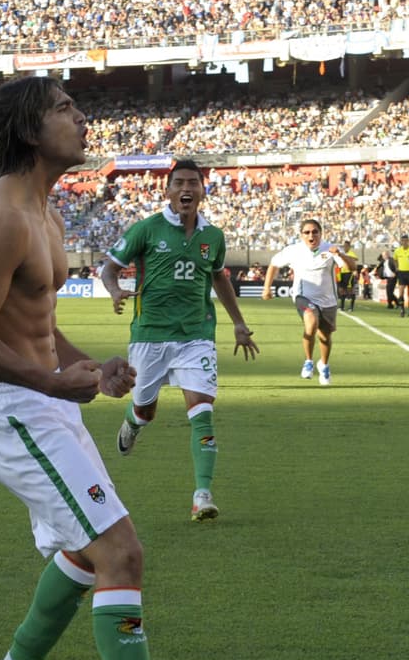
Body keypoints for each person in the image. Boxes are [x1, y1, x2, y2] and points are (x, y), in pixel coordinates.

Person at [0, 76, 224, 660]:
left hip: (41, 403)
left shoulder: (46, 213)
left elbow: (35, 321)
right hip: (10, 410)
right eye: (66, 108)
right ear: (32, 131)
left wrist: (86, 368)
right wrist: (50, 382)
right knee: (120, 550)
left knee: (84, 548)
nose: (82, 117)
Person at [101, 158, 258, 522]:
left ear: (202, 190)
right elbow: (109, 268)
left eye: (193, 183)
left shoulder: (213, 237)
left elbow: (219, 279)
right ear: (168, 190)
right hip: (150, 336)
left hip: (196, 336)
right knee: (146, 409)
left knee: (202, 412)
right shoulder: (146, 229)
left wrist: (238, 323)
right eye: (180, 183)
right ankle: (133, 421)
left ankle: (202, 494)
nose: (186, 189)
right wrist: (114, 290)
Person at [261, 219, 356, 385]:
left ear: (320, 233)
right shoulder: (293, 251)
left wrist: (340, 254)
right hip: (303, 296)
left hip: (328, 300)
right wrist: (266, 288)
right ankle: (308, 361)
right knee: (311, 322)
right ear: (301, 235)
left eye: (314, 232)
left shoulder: (330, 249)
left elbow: (352, 267)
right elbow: (274, 264)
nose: (311, 235)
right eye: (307, 232)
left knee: (325, 336)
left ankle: (324, 365)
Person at [335, 238, 357, 311]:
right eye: (344, 246)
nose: (345, 247)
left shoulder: (351, 253)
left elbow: (355, 259)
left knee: (350, 290)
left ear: (349, 246)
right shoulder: (342, 253)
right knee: (342, 290)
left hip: (349, 273)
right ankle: (342, 306)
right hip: (341, 273)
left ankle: (351, 307)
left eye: (346, 246)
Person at [394, 235, 409, 316]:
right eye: (403, 241)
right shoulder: (397, 251)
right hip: (402, 273)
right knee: (401, 292)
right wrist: (397, 267)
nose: (404, 242)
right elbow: (395, 259)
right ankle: (402, 310)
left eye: (406, 241)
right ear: (401, 242)